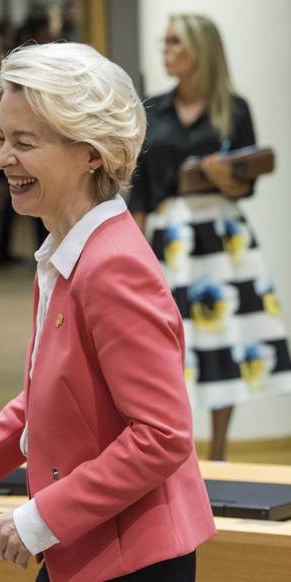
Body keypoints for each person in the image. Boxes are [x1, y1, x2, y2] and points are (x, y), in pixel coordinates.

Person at [0, 43, 216, 582]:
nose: (1, 159)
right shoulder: (68, 250)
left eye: (24, 142)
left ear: (92, 152)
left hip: (132, 560)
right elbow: (51, 398)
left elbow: (162, 435)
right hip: (92, 549)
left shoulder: (112, 267)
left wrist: (42, 517)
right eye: (1, 138)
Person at [128, 14, 291, 461]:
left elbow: (246, 185)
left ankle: (217, 452)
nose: (166, 51)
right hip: (170, 236)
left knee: (226, 337)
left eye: (175, 42)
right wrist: (134, 249)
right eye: (164, 42)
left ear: (200, 49)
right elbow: (139, 187)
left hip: (222, 235)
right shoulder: (153, 109)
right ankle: (173, 451)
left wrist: (225, 176)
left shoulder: (233, 110)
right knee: (165, 342)